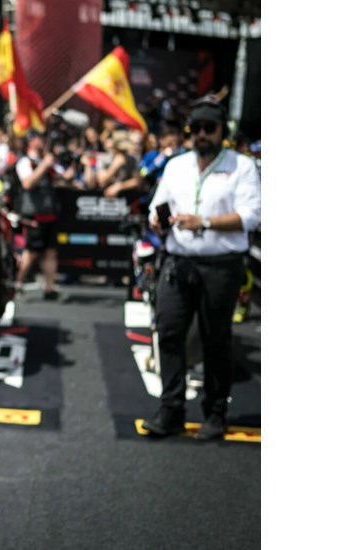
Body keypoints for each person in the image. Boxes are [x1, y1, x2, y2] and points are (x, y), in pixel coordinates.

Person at [140, 96, 261, 441]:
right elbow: (158, 204)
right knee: (169, 333)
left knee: (216, 340)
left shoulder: (242, 166)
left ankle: (215, 413)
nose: (202, 134)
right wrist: (157, 220)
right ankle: (171, 411)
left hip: (221, 266)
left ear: (223, 131)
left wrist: (204, 222)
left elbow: (252, 216)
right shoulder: (176, 165)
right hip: (178, 262)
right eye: (196, 129)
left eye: (210, 128)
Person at [12, 133, 61, 300]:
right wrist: (44, 165)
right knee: (31, 252)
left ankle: (49, 288)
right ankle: (17, 284)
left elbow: (63, 177)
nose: (43, 141)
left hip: (50, 213)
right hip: (34, 215)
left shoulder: (48, 160)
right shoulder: (25, 162)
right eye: (39, 138)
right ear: (31, 142)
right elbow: (27, 183)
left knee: (51, 252)